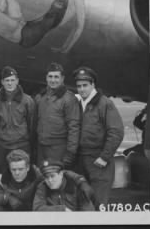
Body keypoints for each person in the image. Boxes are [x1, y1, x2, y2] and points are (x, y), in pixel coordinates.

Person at [73, 66, 124, 208]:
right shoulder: (78, 103)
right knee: (83, 203)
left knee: (98, 203)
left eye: (85, 85)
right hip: (81, 159)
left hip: (99, 161)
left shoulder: (105, 103)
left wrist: (104, 157)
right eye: (78, 86)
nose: (82, 89)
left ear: (93, 85)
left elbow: (116, 132)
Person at [0, 66, 35, 174]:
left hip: (22, 145)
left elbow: (32, 126)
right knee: (1, 175)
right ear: (2, 82)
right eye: (7, 80)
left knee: (22, 175)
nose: (10, 83)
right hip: (2, 146)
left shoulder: (27, 101)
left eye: (12, 80)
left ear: (17, 81)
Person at [34, 63, 80, 169]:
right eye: (50, 76)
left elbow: (74, 126)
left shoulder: (69, 98)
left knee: (57, 181)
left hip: (58, 148)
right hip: (41, 147)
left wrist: (70, 152)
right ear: (46, 78)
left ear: (62, 78)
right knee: (41, 178)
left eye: (56, 77)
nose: (53, 80)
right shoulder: (40, 97)